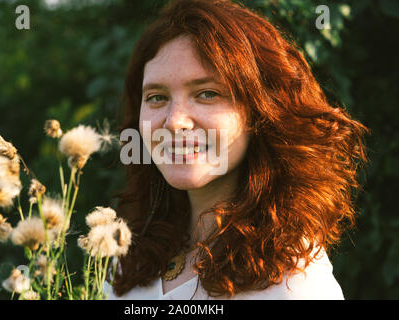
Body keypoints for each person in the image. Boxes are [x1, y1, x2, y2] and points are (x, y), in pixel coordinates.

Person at [108, 0, 369, 300]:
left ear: (260, 112)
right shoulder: (128, 259)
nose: (174, 121)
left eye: (207, 93)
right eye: (156, 97)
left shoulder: (292, 285)